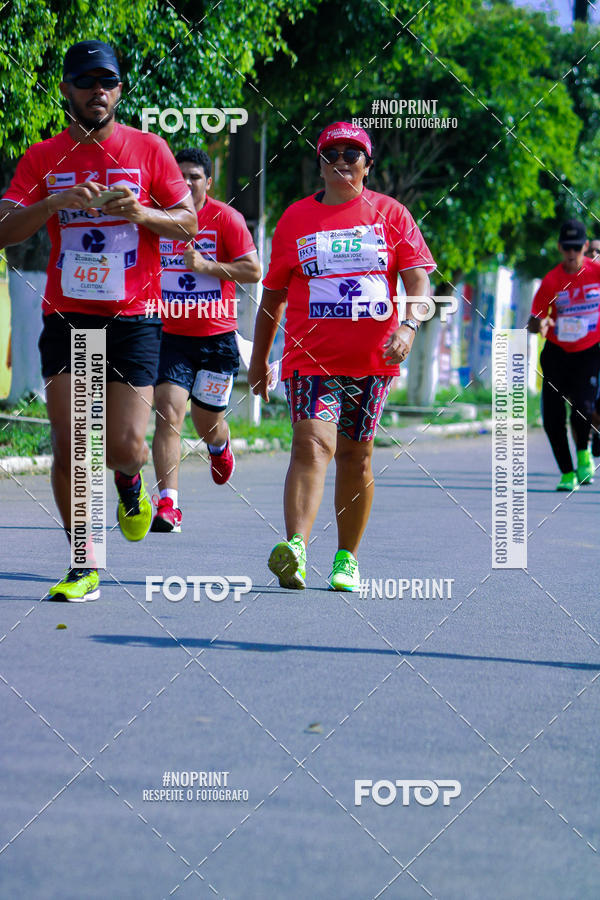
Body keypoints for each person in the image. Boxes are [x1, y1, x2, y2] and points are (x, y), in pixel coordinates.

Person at [0, 40, 196, 601]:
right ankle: (83, 561)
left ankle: (131, 482)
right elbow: (6, 229)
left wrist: (142, 213)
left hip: (133, 318)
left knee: (128, 445)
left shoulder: (149, 150)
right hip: (68, 316)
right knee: (69, 443)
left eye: (107, 82)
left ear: (118, 89)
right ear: (66, 89)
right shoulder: (42, 158)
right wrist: (54, 206)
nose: (98, 92)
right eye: (86, 82)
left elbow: (187, 223)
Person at [248, 122, 435, 591]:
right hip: (310, 357)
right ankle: (295, 547)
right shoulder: (295, 219)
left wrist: (410, 326)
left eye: (354, 153)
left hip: (373, 360)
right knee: (312, 444)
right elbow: (272, 298)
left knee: (357, 457)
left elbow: (418, 282)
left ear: (368, 165)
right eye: (333, 151)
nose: (344, 159)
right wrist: (257, 361)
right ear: (320, 162)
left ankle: (346, 558)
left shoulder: (391, 214)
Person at [151, 148, 261, 531]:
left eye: (194, 176)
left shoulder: (225, 218)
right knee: (168, 412)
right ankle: (168, 505)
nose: (185, 182)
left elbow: (253, 269)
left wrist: (206, 266)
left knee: (206, 421)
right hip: (170, 335)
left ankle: (218, 445)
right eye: (178, 175)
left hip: (216, 338)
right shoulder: (160, 217)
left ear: (208, 182)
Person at [527, 219, 600, 490]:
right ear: (559, 247)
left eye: (576, 249)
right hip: (557, 353)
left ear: (584, 246)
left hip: (588, 352)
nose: (571, 254)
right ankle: (567, 472)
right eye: (566, 248)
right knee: (552, 418)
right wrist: (540, 323)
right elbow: (534, 320)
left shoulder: (597, 273)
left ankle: (583, 454)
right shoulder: (552, 280)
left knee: (583, 408)